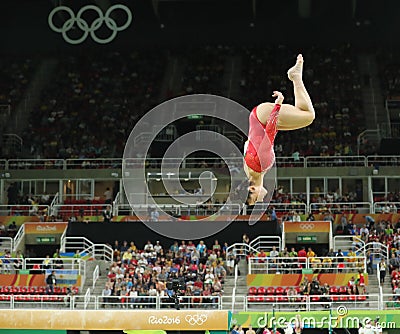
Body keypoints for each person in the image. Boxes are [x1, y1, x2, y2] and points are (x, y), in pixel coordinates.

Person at [244, 54, 315, 205]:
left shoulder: (259, 165)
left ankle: (296, 77)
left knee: (309, 116)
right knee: (304, 117)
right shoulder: (250, 172)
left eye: (256, 199)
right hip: (258, 119)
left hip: (264, 119)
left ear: (252, 189)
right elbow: (246, 143)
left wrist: (278, 105)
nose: (261, 200)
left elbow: (269, 134)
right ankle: (296, 77)